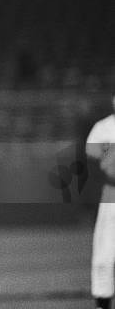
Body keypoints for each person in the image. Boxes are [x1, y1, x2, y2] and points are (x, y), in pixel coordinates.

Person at [86, 92, 115, 309]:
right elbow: (93, 163)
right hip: (112, 194)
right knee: (105, 251)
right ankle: (102, 302)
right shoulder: (104, 127)